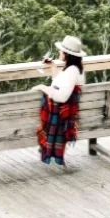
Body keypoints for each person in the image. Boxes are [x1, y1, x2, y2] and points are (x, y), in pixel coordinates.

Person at [35, 35, 86, 165]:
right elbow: (60, 85)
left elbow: (62, 96)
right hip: (74, 116)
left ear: (67, 54)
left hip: (62, 119)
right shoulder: (74, 70)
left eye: (61, 50)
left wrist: (43, 87)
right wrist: (52, 66)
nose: (59, 52)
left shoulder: (71, 72)